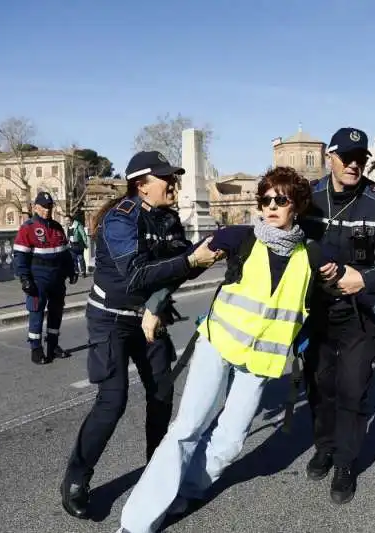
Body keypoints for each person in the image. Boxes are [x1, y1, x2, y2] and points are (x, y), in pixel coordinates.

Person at [116, 166, 375, 533]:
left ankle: (186, 491)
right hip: (218, 345)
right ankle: (136, 523)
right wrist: (156, 304)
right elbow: (188, 265)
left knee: (230, 440)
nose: (271, 206)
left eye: (280, 200)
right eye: (265, 199)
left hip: (261, 362)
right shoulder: (239, 237)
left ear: (296, 206)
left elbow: (354, 283)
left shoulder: (314, 254)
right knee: (187, 428)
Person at [60, 150, 222, 520]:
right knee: (112, 400)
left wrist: (202, 257)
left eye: (174, 178)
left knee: (162, 394)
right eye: (166, 178)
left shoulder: (168, 218)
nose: (174, 184)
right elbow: (136, 274)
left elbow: (181, 268)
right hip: (111, 320)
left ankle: (157, 472)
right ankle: (77, 477)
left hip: (151, 319)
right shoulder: (120, 219)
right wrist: (190, 261)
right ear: (142, 185)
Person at [299, 127, 375, 505]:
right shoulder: (309, 198)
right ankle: (325, 446)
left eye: (360, 158)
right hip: (313, 313)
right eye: (346, 157)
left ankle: (346, 463)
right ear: (330, 158)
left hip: (359, 312)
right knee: (320, 386)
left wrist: (363, 279)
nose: (354, 164)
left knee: (353, 389)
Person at [13, 191, 77, 364]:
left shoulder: (57, 227)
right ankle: (36, 348)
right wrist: (25, 278)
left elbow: (65, 254)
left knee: (56, 313)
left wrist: (72, 271)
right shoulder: (28, 228)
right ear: (36, 207)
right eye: (43, 207)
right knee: (37, 313)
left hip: (57, 278)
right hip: (38, 278)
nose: (47, 210)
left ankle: (53, 346)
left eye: (49, 206)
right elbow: (20, 256)